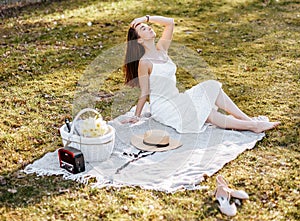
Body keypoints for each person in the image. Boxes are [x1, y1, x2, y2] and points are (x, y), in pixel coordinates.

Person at [122, 15, 280, 133]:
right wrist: (137, 115)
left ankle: (247, 120)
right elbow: (144, 92)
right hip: (165, 108)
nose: (149, 28)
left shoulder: (161, 49)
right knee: (207, 113)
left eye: (147, 26)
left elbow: (170, 23)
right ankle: (253, 126)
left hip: (178, 98)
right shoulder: (144, 62)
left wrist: (146, 18)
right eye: (143, 29)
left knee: (212, 86)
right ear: (140, 41)